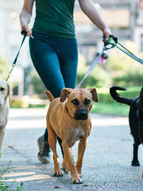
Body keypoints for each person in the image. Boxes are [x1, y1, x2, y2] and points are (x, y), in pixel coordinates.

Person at [20, 0, 112, 163]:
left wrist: (105, 28)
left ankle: (46, 139)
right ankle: (67, 158)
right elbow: (26, 10)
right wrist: (24, 23)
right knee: (61, 95)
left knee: (70, 100)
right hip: (41, 40)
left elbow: (87, 5)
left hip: (69, 42)